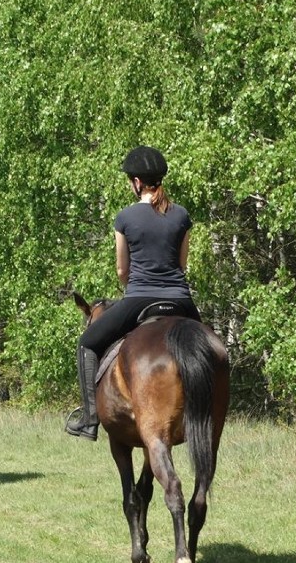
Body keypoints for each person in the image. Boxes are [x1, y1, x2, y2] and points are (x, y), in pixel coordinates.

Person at [65, 146, 202, 441]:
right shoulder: (182, 215)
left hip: (140, 297)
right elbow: (182, 264)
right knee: (211, 349)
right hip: (181, 299)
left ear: (137, 182)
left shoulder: (125, 217)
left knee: (87, 344)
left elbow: (122, 271)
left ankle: (89, 420)